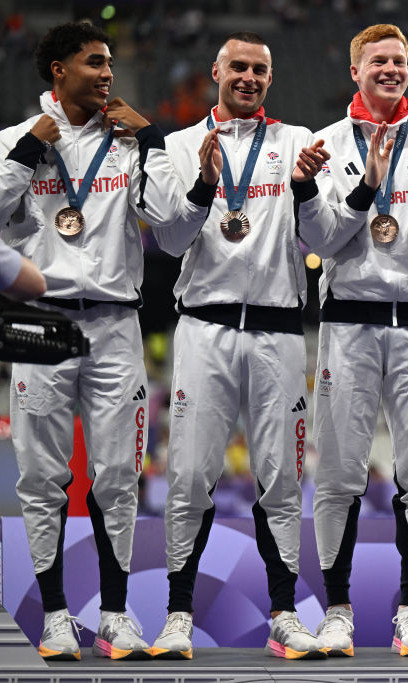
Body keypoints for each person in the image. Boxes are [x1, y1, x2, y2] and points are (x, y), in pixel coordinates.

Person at [0, 21, 185, 661]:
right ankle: (55, 617)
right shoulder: (13, 141)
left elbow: (170, 219)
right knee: (43, 476)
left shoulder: (128, 144)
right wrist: (28, 152)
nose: (107, 73)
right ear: (58, 70)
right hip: (40, 318)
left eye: (109, 62)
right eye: (94, 62)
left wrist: (153, 137)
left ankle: (113, 616)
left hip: (114, 323)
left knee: (118, 476)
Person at [147, 32, 330, 660]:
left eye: (260, 70)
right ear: (215, 72)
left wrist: (306, 188)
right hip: (204, 324)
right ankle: (177, 615)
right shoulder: (175, 145)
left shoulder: (300, 142)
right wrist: (202, 184)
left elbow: (324, 241)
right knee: (192, 472)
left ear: (270, 79)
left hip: (279, 327)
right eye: (238, 68)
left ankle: (283, 613)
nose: (248, 78)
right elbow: (170, 242)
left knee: (281, 479)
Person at [294, 23, 408, 658]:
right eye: (379, 61)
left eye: (400, 61)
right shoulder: (325, 145)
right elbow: (323, 240)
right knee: (338, 474)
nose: (392, 69)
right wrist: (368, 185)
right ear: (354, 71)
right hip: (351, 320)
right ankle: (337, 611)